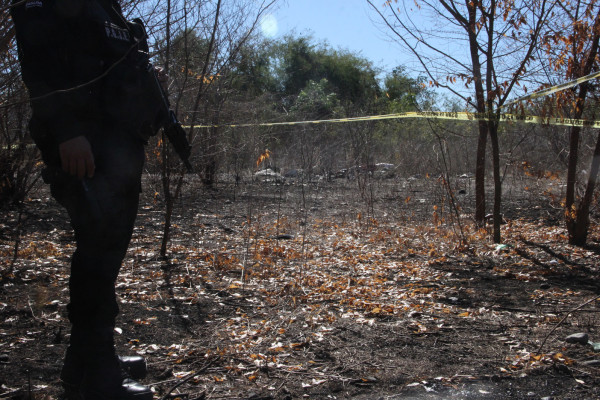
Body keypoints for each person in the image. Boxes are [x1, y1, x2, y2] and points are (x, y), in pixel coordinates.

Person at [11, 0, 158, 398]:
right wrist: (66, 131)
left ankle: (84, 361)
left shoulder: (110, 9)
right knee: (98, 254)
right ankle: (98, 375)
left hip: (120, 147)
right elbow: (38, 63)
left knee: (107, 253)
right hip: (83, 146)